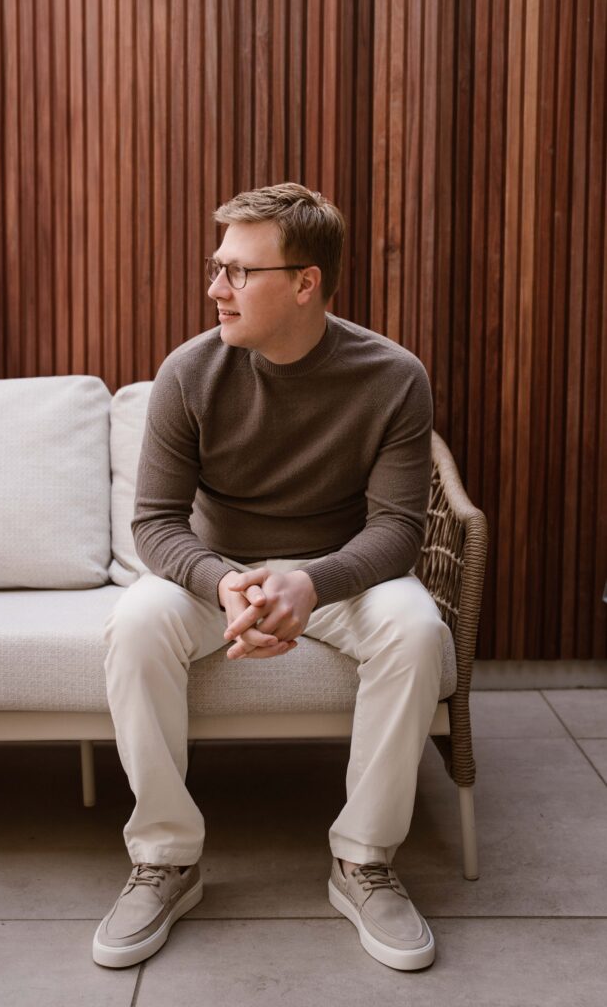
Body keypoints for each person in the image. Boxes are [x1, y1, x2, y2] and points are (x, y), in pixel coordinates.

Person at [92, 183, 449, 972]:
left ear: (304, 283)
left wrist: (311, 582)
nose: (215, 289)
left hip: (340, 576)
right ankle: (165, 859)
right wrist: (222, 583)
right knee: (136, 621)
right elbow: (155, 523)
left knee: (417, 628)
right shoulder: (190, 372)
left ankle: (363, 860)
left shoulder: (393, 376)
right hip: (216, 577)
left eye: (238, 272)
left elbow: (398, 530)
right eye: (216, 266)